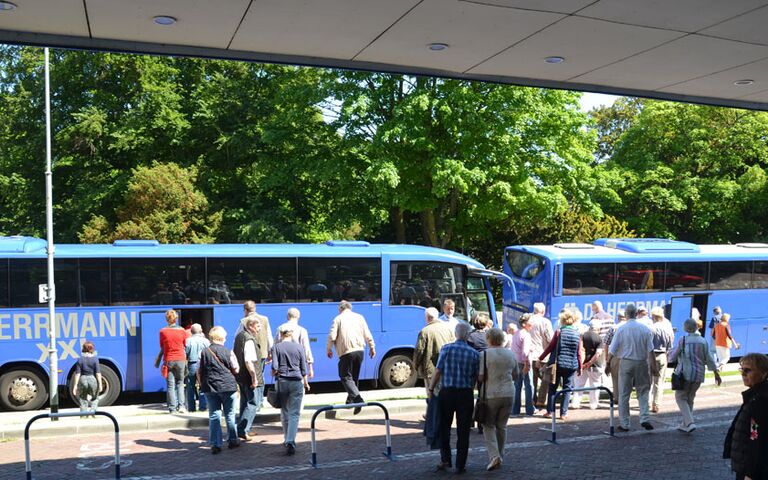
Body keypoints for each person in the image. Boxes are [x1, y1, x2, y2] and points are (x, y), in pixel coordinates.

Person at [428, 322, 479, 474]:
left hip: (447, 393)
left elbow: (438, 371)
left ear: (456, 334)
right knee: (463, 431)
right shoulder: (474, 353)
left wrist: (431, 388)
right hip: (465, 394)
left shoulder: (447, 348)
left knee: (444, 428)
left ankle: (445, 459)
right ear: (468, 335)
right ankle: (460, 464)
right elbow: (476, 377)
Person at [669, 318, 721, 433]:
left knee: (680, 397)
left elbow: (672, 357)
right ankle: (685, 423)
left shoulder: (683, 340)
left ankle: (689, 422)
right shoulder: (703, 341)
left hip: (685, 374)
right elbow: (709, 359)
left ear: (686, 328)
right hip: (698, 374)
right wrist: (716, 374)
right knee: (690, 398)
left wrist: (669, 355)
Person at [609, 304, 654, 431]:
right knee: (643, 391)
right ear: (636, 313)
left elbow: (612, 349)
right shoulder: (645, 329)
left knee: (624, 393)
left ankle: (624, 423)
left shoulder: (621, 329)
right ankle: (644, 418)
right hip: (641, 362)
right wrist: (653, 366)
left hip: (626, 362)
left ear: (626, 314)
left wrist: (608, 363)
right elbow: (650, 351)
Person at [724, 353, 768, 480]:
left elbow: (756, 439)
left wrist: (750, 473)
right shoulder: (754, 396)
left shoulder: (760, 401)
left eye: (747, 370)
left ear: (763, 373)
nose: (743, 374)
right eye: (741, 370)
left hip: (752, 470)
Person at [327, 300, 375, 413]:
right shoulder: (360, 317)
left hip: (347, 351)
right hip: (360, 350)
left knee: (344, 376)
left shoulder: (338, 319)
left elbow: (332, 336)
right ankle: (350, 401)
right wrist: (372, 347)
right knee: (354, 378)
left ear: (340, 309)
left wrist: (328, 349)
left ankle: (358, 399)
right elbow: (367, 334)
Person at [478, 327, 516, 471]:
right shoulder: (510, 354)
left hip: (491, 393)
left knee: (488, 425)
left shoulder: (485, 355)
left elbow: (481, 377)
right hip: (509, 393)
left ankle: (494, 456)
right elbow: (516, 374)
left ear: (489, 339)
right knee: (502, 425)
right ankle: (500, 454)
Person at [198, 326, 240, 454]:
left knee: (214, 414)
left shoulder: (204, 352)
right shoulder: (229, 351)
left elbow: (199, 371)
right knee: (230, 414)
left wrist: (201, 383)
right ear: (222, 338)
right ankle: (233, 439)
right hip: (228, 386)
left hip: (210, 386)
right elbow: (236, 369)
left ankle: (216, 443)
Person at [272, 323, 310, 455]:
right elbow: (303, 368)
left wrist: (275, 372)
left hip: (282, 381)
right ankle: (290, 440)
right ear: (291, 334)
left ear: (281, 334)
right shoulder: (299, 347)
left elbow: (275, 367)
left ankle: (285, 438)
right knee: (294, 413)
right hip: (296, 381)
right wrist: (305, 381)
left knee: (284, 411)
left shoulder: (276, 347)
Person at [539, 308, 582, 420]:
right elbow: (579, 352)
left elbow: (550, 347)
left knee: (553, 387)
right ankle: (563, 413)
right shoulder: (577, 333)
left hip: (557, 364)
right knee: (567, 389)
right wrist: (580, 367)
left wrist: (541, 358)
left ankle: (550, 411)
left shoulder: (559, 332)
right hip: (571, 365)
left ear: (563, 320)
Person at [236, 301, 273, 409]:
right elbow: (269, 336)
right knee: (260, 377)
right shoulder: (265, 319)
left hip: (250, 354)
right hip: (262, 353)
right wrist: (270, 351)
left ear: (245, 310)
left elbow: (237, 336)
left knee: (252, 377)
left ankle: (254, 401)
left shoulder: (244, 321)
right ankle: (260, 401)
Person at [413, 307, 455, 396]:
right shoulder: (448, 329)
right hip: (446, 368)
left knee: (432, 395)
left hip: (430, 370)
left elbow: (419, 351)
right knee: (445, 395)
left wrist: (415, 365)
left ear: (427, 318)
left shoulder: (424, 331)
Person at [233, 315, 261, 441]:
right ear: (251, 326)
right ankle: (243, 430)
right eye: (258, 326)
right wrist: (254, 378)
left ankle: (245, 429)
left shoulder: (239, 336)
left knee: (244, 402)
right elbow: (249, 361)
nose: (259, 329)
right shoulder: (249, 340)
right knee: (253, 403)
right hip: (248, 377)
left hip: (241, 376)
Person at [156, 309, 190, 413]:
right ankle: (182, 406)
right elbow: (185, 344)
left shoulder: (163, 331)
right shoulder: (182, 331)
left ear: (167, 319)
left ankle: (172, 408)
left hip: (169, 359)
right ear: (176, 318)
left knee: (170, 385)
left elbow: (162, 346)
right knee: (180, 383)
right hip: (181, 359)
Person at [275, 308, 314, 379]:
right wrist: (310, 368)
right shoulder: (302, 330)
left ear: (287, 316)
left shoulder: (280, 328)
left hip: (282, 366)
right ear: (298, 317)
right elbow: (306, 349)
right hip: (297, 366)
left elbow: (275, 347)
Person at [572, 322, 603, 410]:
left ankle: (575, 403)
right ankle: (593, 404)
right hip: (595, 365)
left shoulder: (582, 335)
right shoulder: (599, 338)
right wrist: (589, 363)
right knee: (595, 385)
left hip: (581, 364)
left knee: (578, 384)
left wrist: (583, 364)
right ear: (598, 329)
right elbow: (598, 354)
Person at [649, 306, 674, 413]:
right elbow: (670, 346)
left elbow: (647, 345)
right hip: (662, 355)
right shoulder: (667, 329)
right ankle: (656, 404)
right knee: (659, 382)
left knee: (648, 382)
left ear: (654, 316)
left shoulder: (650, 328)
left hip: (651, 355)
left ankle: (647, 403)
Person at [529, 302, 553, 412]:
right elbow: (550, 338)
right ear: (543, 311)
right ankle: (541, 400)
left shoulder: (528, 320)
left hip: (530, 354)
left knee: (531, 379)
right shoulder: (545, 322)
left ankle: (532, 400)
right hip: (543, 355)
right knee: (546, 378)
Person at [511, 314, 535, 416]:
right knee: (529, 386)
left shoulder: (516, 333)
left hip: (516, 362)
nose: (532, 323)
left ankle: (515, 410)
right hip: (524, 362)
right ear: (525, 324)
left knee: (517, 386)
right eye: (531, 321)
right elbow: (525, 352)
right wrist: (526, 364)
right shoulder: (526, 335)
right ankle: (529, 410)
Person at [185, 323, 210, 412]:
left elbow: (185, 354)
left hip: (192, 364)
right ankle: (203, 407)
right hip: (203, 364)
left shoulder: (188, 341)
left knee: (190, 386)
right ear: (201, 330)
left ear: (191, 331)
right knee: (203, 385)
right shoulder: (206, 341)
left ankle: (191, 408)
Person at [72, 340, 102, 414]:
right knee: (95, 397)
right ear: (92, 349)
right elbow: (98, 373)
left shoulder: (80, 359)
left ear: (83, 349)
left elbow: (77, 374)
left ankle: (83, 414)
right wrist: (100, 384)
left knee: (82, 398)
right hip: (92, 379)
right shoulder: (95, 359)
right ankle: (92, 412)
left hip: (82, 379)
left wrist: (75, 386)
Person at [604, 312, 628, 399]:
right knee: (626, 378)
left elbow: (606, 343)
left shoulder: (613, 328)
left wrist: (607, 357)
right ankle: (624, 397)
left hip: (615, 356)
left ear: (618, 317)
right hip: (627, 356)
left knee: (615, 378)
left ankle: (617, 397)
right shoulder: (629, 328)